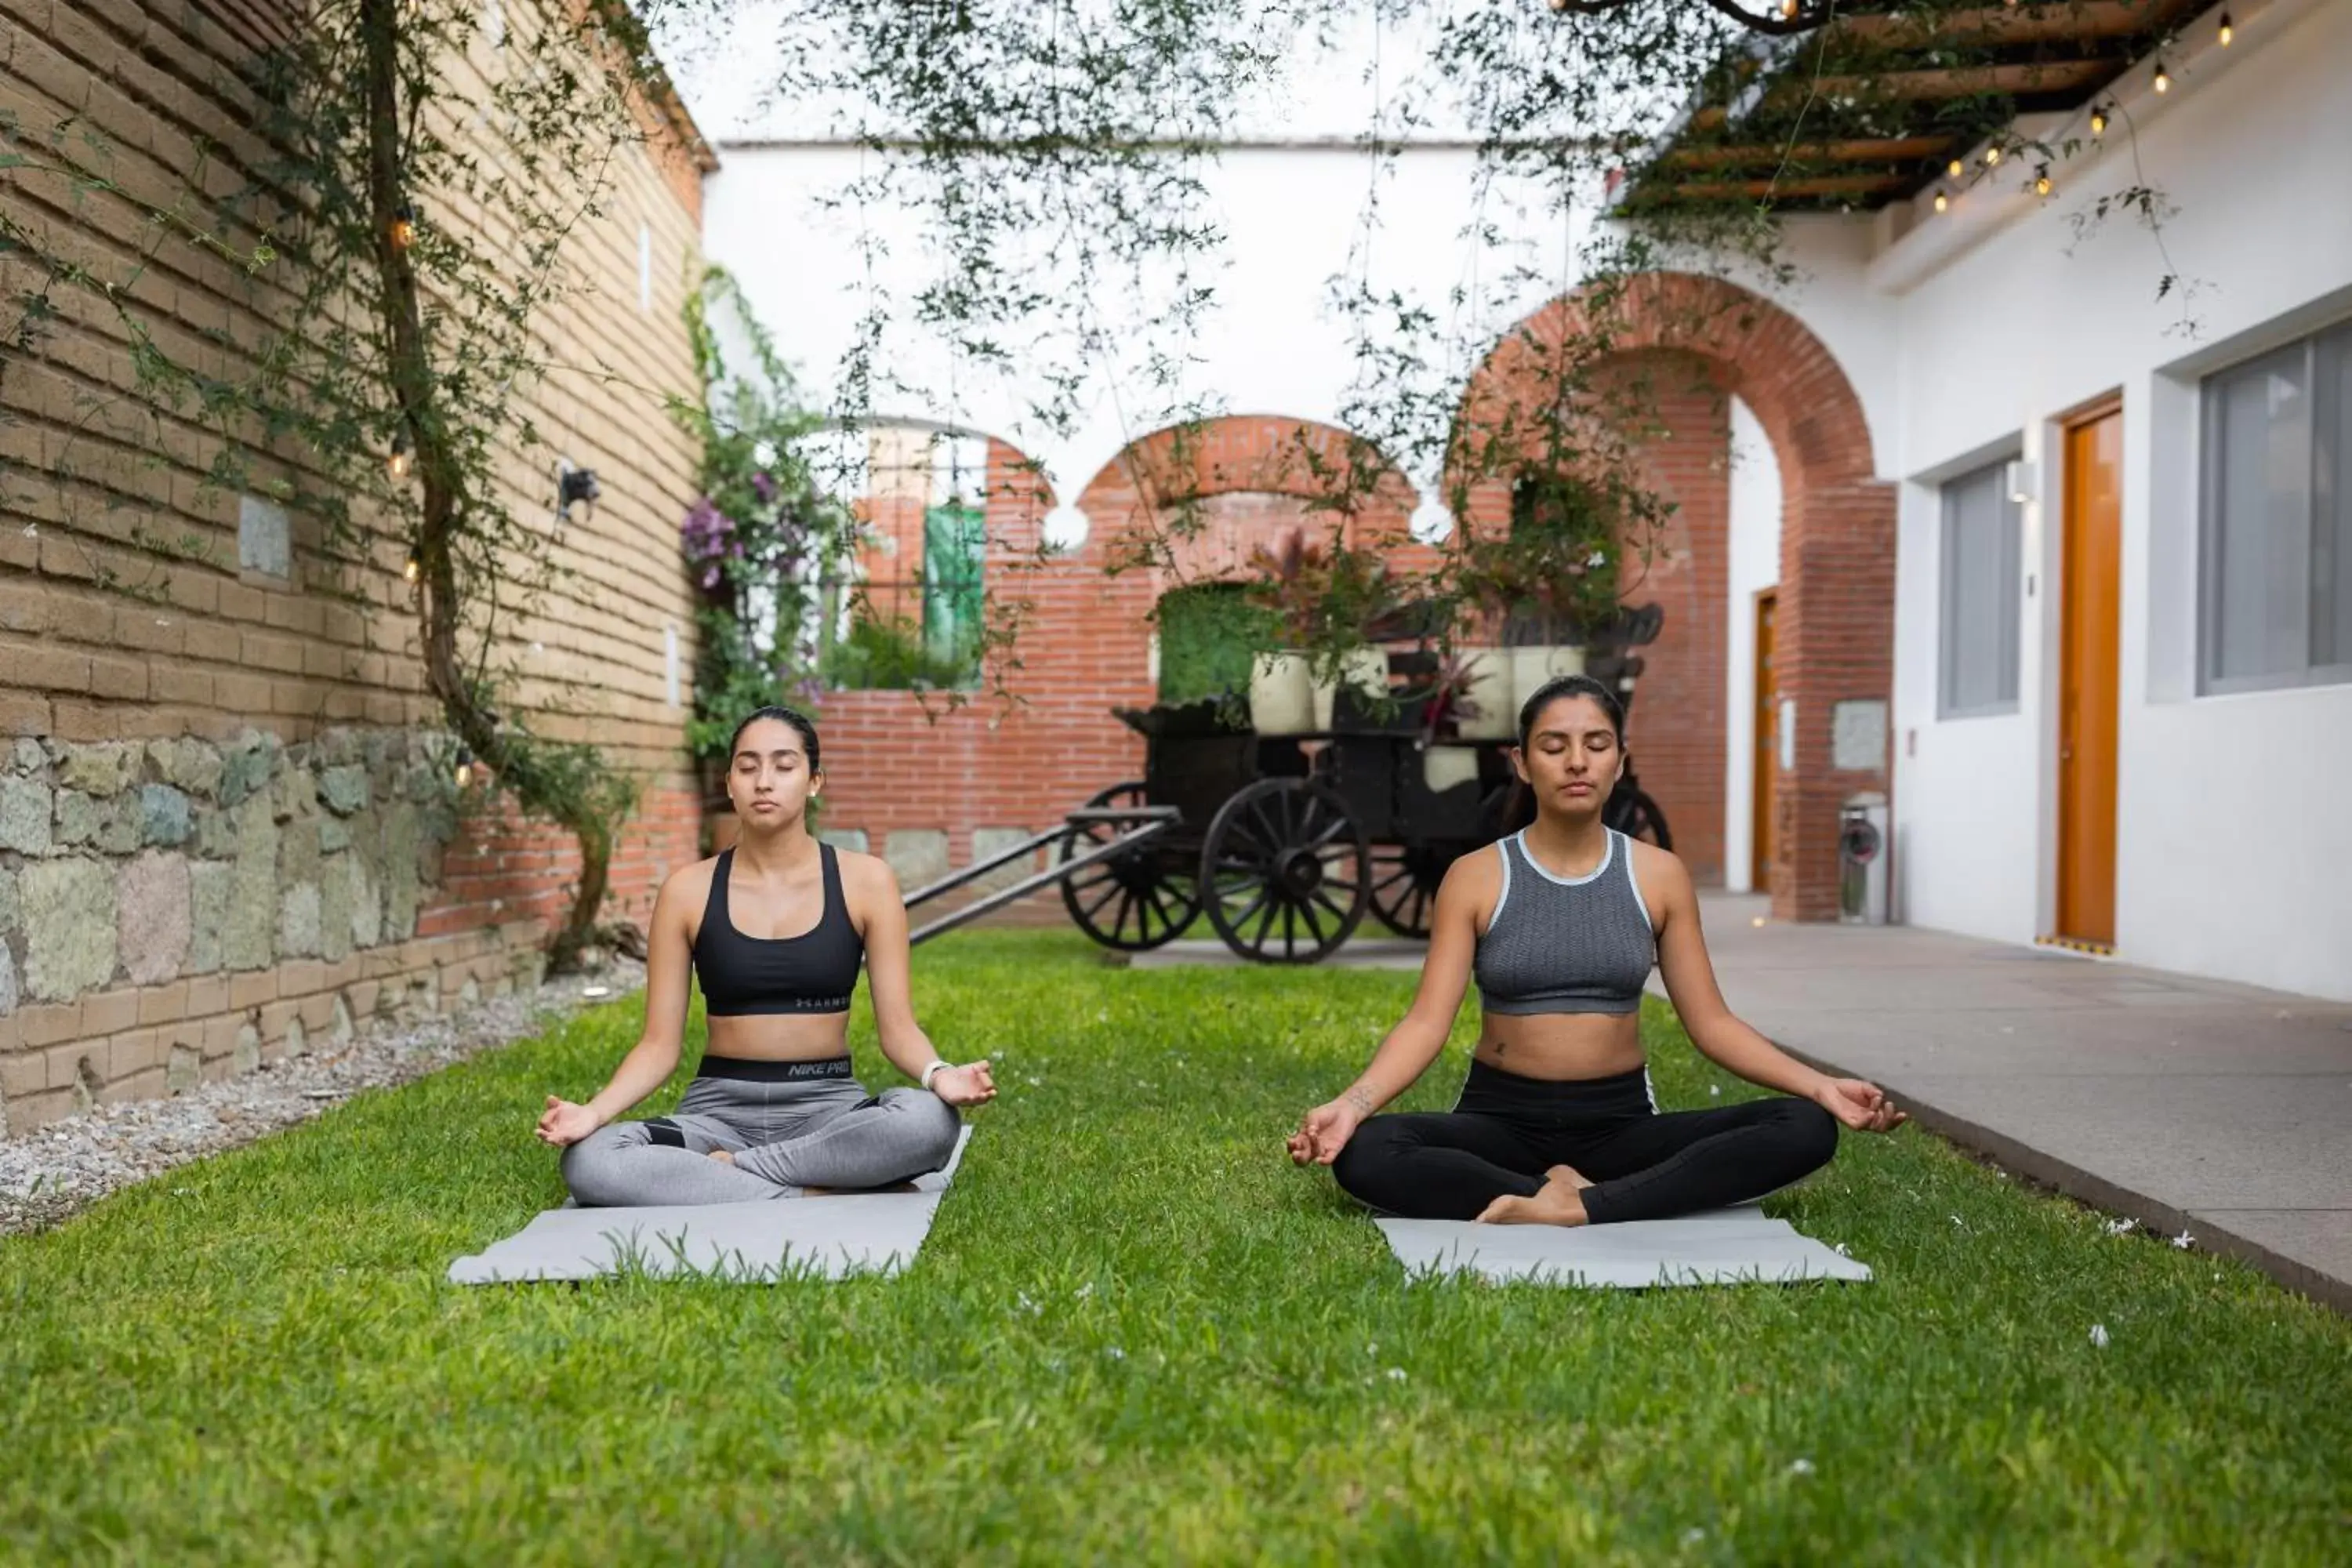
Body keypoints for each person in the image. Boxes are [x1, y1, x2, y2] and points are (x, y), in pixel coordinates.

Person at [1288, 673, 1905, 1226]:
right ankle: (1580, 1194)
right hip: (1500, 1119)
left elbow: (1712, 1023)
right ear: (1523, 763)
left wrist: (1819, 1087)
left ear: (1620, 760)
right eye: (1554, 747)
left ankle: (1574, 1206)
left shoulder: (1658, 876)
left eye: (1597, 744)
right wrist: (1351, 1104)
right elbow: (1427, 1023)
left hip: (1621, 1125)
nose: (1577, 762)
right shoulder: (1475, 878)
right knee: (1369, 1150)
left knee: (1802, 1128)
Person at [538, 706, 995, 1204]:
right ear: (730, 782)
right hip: (716, 1115)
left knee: (929, 1123)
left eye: (784, 765)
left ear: (814, 781)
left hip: (829, 1111)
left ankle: (735, 1176)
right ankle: (808, 1189)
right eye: (748, 766)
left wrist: (939, 1074)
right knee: (589, 1160)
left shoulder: (867, 882)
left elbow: (899, 1030)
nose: (764, 781)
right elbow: (658, 1046)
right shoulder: (687, 891)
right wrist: (594, 1114)